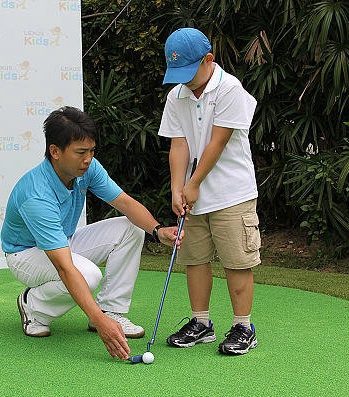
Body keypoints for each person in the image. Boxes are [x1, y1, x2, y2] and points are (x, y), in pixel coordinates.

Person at [1, 106, 184, 360]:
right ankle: (33, 306)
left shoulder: (87, 169)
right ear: (55, 151)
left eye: (91, 151)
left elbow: (125, 203)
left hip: (61, 241)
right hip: (25, 255)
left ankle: (112, 310)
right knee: (87, 275)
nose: (88, 159)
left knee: (131, 228)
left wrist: (157, 230)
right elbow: (65, 268)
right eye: (80, 152)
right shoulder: (36, 194)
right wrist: (96, 320)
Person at [158, 28, 261, 355]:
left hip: (232, 192)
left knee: (236, 260)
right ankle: (200, 323)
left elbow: (218, 141)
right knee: (195, 259)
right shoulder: (177, 96)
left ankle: (243, 327)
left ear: (208, 60)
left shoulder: (230, 89)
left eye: (190, 72)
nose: (185, 80)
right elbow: (179, 143)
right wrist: (178, 187)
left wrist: (194, 183)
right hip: (194, 195)